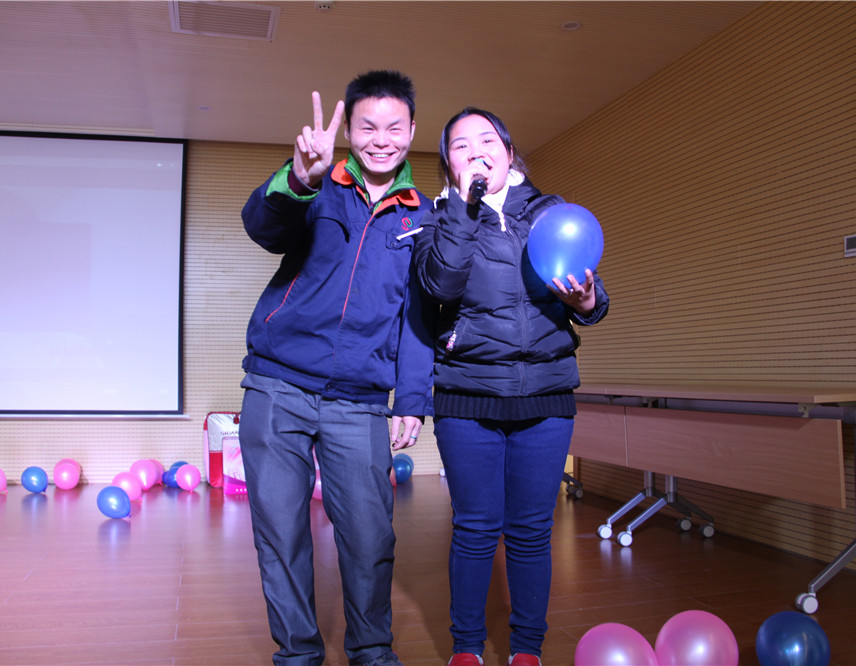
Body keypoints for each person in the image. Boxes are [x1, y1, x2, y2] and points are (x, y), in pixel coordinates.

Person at [238, 70, 433, 666]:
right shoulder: (319, 184)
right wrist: (300, 177)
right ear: (349, 130)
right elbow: (262, 228)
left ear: (412, 131)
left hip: (360, 400)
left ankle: (372, 650)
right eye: (367, 127)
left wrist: (412, 399)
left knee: (371, 537)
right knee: (281, 533)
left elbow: (419, 317)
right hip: (277, 385)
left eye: (393, 128)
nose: (381, 140)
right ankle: (297, 653)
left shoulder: (423, 217)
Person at [412, 108, 610, 666]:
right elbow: (439, 283)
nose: (476, 151)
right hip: (467, 395)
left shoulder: (548, 212)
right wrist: (464, 206)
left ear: (507, 150)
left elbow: (593, 296)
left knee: (530, 532)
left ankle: (527, 649)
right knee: (474, 530)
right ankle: (466, 649)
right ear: (448, 163)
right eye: (460, 145)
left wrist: (587, 301)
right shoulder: (435, 221)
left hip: (546, 395)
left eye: (487, 140)